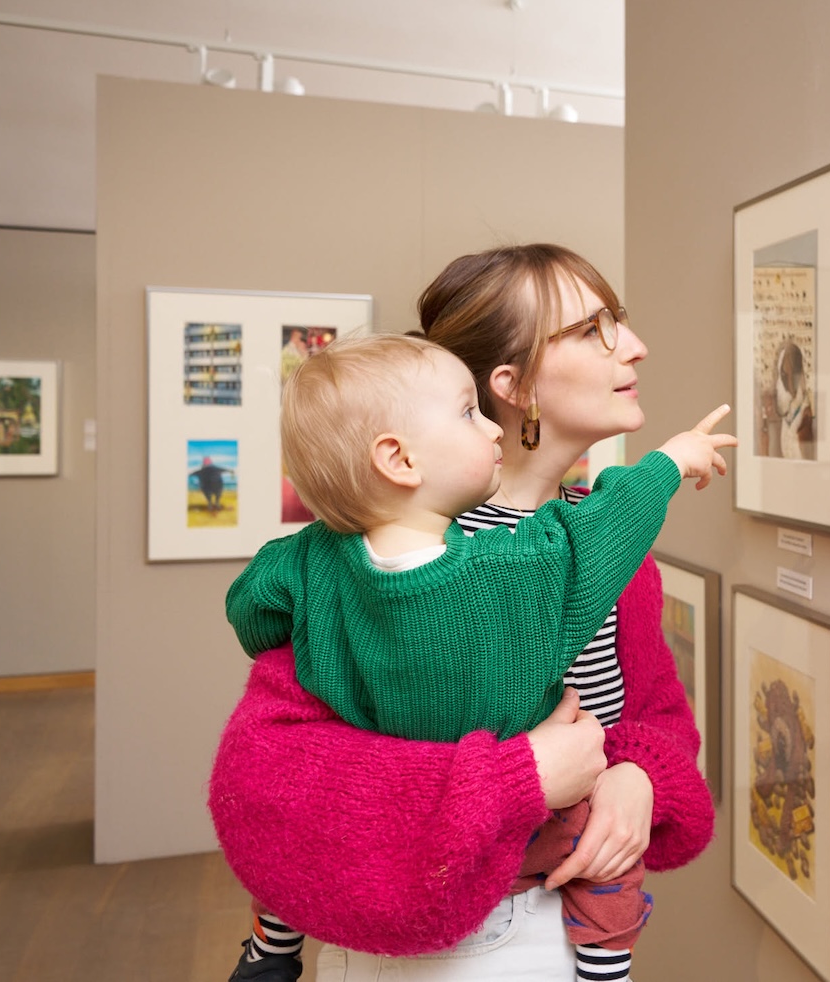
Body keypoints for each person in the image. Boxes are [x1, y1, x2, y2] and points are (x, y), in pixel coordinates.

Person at [211, 244, 720, 982]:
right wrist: (521, 776)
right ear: (512, 386)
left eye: (623, 324)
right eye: (592, 330)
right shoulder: (379, 558)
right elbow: (271, 780)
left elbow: (660, 719)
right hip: (430, 941)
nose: (634, 347)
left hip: (571, 933)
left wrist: (638, 775)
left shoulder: (614, 551)